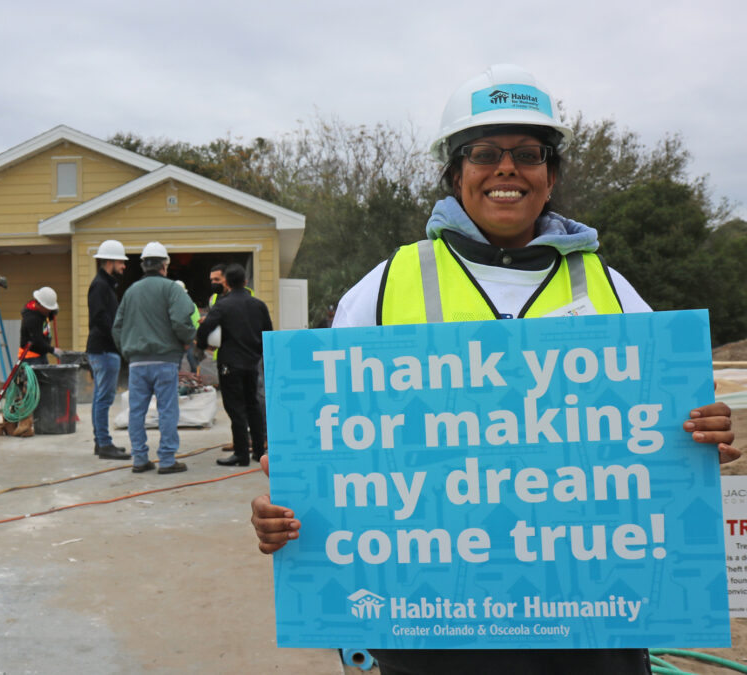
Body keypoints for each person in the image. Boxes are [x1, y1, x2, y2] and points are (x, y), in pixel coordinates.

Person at [250, 64, 739, 675]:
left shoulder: (612, 289)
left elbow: (670, 435)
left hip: (594, 621)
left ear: (551, 175)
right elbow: (330, 447)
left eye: (528, 153)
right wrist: (290, 500)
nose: (507, 168)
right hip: (434, 627)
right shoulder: (382, 289)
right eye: (484, 152)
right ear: (456, 174)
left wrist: (703, 437)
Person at [112, 241, 196, 474]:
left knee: (136, 412)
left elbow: (117, 327)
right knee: (167, 410)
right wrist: (188, 338)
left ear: (143, 265)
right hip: (165, 361)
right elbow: (181, 321)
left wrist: (128, 350)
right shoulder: (172, 289)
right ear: (164, 265)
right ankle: (167, 460)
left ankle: (140, 459)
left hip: (137, 363)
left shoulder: (130, 292)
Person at [196, 263, 272, 467]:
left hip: (230, 364)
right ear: (245, 282)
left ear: (227, 283)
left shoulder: (223, 305)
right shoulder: (259, 305)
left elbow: (205, 329)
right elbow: (268, 332)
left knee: (236, 408)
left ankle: (241, 454)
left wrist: (202, 346)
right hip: (252, 363)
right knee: (253, 405)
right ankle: (258, 451)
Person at [87, 240, 132, 460]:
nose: (124, 266)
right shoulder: (100, 286)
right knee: (103, 399)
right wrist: (117, 337)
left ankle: (101, 442)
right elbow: (98, 318)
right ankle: (104, 443)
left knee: (100, 398)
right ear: (110, 261)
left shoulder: (104, 284)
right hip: (104, 350)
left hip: (102, 349)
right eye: (121, 262)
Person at [20, 286, 62, 365]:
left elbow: (44, 323)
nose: (49, 310)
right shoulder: (31, 318)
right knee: (36, 377)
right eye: (48, 308)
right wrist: (52, 350)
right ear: (40, 304)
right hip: (31, 357)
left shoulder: (42, 313)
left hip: (41, 354)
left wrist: (51, 315)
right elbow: (37, 340)